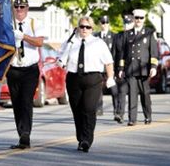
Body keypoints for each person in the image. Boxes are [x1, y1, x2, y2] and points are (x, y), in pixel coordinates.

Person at [57, 15, 115, 153]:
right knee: (77, 110)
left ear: (92, 29)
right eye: (82, 26)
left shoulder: (98, 43)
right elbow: (60, 58)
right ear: (77, 28)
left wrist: (110, 77)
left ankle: (86, 140)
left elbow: (108, 61)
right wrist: (61, 59)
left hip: (93, 79)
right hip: (73, 78)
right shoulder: (70, 42)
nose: (84, 29)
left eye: (88, 27)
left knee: (88, 109)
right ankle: (80, 137)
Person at [7, 0, 45, 149]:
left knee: (26, 101)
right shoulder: (9, 25)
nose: (19, 10)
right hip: (14, 68)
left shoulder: (35, 23)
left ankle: (26, 134)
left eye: (22, 7)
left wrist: (23, 36)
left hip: (30, 69)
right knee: (16, 103)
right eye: (16, 7)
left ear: (27, 9)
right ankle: (21, 134)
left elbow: (39, 42)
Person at [118, 9, 158, 125]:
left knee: (145, 94)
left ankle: (147, 115)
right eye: (137, 18)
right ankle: (132, 119)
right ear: (134, 19)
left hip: (144, 69)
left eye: (141, 18)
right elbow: (122, 53)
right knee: (132, 95)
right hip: (131, 69)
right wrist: (121, 69)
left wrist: (153, 67)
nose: (139, 20)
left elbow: (154, 52)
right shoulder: (127, 34)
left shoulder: (149, 33)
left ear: (144, 19)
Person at [112, 14, 133, 121]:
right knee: (122, 91)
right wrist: (114, 70)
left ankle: (132, 116)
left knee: (133, 94)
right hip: (121, 69)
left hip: (134, 69)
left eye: (128, 23)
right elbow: (114, 54)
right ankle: (119, 113)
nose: (126, 25)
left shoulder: (135, 35)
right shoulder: (118, 36)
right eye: (125, 23)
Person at [96, 16, 117, 117]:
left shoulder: (114, 36)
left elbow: (116, 53)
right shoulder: (96, 37)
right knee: (98, 90)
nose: (104, 25)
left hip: (110, 68)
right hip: (99, 67)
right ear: (100, 23)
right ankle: (99, 109)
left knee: (114, 90)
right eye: (103, 22)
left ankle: (117, 110)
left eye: (106, 22)